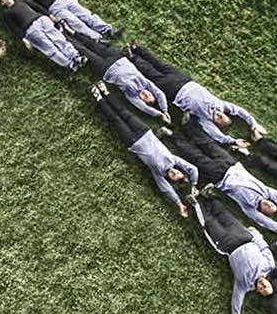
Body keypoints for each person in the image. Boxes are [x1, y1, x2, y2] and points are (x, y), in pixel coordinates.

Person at [124, 43, 266, 149]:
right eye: (224, 116)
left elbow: (217, 136)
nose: (220, 116)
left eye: (220, 120)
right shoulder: (221, 105)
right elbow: (241, 111)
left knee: (152, 74)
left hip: (174, 91)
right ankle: (138, 48)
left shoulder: (205, 120)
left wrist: (233, 141)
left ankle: (131, 57)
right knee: (160, 64)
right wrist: (254, 124)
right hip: (185, 79)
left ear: (216, 123)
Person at [163, 127, 277, 235]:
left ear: (262, 212)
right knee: (209, 144)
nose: (269, 204)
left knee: (195, 155)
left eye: (268, 208)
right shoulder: (265, 192)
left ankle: (172, 135)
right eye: (272, 204)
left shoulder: (249, 207)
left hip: (219, 176)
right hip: (231, 163)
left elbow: (264, 222)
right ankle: (188, 125)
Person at [90, 83, 197, 216]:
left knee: (116, 119)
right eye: (178, 172)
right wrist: (194, 184)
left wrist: (179, 204)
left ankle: (99, 98)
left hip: (133, 141)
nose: (174, 172)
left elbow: (167, 189)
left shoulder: (159, 173)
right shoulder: (172, 160)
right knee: (124, 112)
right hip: (144, 131)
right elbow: (192, 168)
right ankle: (106, 92)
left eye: (174, 176)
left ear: (171, 180)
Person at [190, 194, 275, 314]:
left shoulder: (244, 285)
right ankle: (208, 197)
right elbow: (264, 247)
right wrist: (256, 235)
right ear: (269, 282)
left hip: (228, 245)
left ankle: (196, 203)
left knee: (210, 223)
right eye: (267, 286)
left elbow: (237, 300)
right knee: (224, 215)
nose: (263, 286)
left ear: (257, 290)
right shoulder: (269, 265)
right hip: (244, 237)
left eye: (261, 289)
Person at [69, 33, 168, 121]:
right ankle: (72, 31)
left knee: (85, 51)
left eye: (145, 98)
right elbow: (160, 94)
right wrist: (165, 110)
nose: (146, 94)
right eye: (149, 95)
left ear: (142, 101)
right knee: (92, 44)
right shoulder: (145, 83)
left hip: (106, 69)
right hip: (118, 58)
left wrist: (160, 114)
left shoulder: (132, 95)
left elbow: (144, 108)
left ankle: (66, 37)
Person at [15, 0, 121, 41]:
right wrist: (50, 16)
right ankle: (97, 38)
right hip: (55, 9)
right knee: (77, 24)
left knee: (87, 15)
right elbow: (38, 8)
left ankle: (108, 30)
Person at [0, 0, 83, 70]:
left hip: (41, 20)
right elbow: (14, 27)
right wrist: (23, 38)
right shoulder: (7, 13)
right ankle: (68, 63)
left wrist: (49, 15)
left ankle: (75, 56)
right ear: (2, 2)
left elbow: (36, 7)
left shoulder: (22, 0)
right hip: (30, 30)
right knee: (49, 47)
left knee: (59, 38)